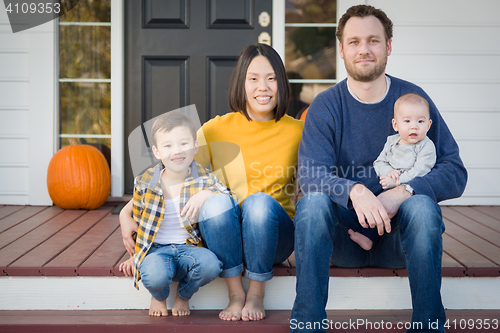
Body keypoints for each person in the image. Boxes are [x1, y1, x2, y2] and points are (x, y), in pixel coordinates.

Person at [291, 5, 467, 333]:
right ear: (341, 49)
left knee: (423, 206)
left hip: (398, 239)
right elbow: (311, 174)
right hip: (344, 238)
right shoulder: (326, 106)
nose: (364, 49)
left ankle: (429, 326)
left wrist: (403, 192)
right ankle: (307, 325)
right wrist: (355, 191)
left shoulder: (412, 101)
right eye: (354, 41)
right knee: (311, 204)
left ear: (387, 47)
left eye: (373, 40)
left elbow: (454, 170)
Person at [195, 43, 304, 321]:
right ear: (240, 84)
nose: (263, 87)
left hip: (275, 237)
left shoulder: (297, 131)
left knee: (257, 203)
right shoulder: (215, 128)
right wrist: (129, 210)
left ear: (281, 83)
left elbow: (323, 179)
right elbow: (174, 173)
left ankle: (256, 293)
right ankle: (235, 293)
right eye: (253, 79)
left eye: (271, 78)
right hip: (227, 235)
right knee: (216, 203)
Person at [118, 111, 236, 317]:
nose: (177, 151)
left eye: (184, 143)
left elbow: (230, 197)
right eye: (168, 145)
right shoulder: (146, 181)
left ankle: (183, 296)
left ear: (195, 146)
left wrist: (207, 194)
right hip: (156, 249)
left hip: (190, 248)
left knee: (211, 265)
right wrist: (135, 257)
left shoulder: (205, 179)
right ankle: (159, 296)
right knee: (153, 275)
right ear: (156, 152)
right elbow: (139, 220)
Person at [350, 92, 437, 251]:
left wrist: (398, 181)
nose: (414, 126)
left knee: (413, 209)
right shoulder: (391, 141)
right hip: (387, 185)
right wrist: (388, 172)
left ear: (429, 125)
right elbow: (380, 161)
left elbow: (421, 170)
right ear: (395, 125)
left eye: (420, 121)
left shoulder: (426, 146)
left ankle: (385, 240)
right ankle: (367, 236)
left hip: (409, 192)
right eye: (407, 121)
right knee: (376, 204)